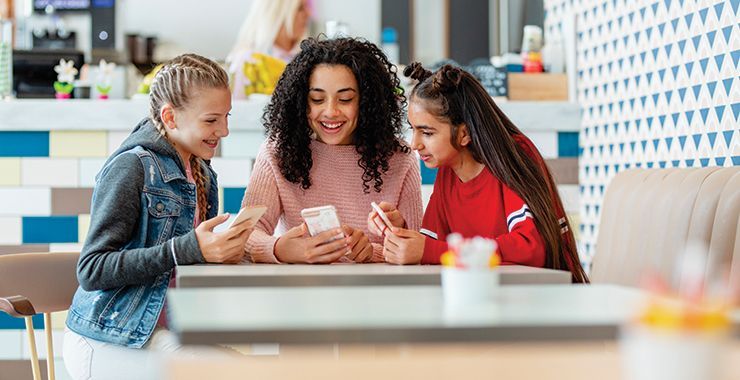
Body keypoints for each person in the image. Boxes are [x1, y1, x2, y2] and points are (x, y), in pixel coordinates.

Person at [63, 54, 252, 380]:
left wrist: (234, 252)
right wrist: (189, 249)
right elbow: (92, 269)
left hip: (160, 334)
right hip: (108, 339)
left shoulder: (202, 173)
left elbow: (187, 264)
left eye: (226, 117)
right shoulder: (132, 168)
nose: (224, 130)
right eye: (211, 120)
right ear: (170, 117)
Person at [369, 62, 589, 283]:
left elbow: (531, 248)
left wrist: (429, 251)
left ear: (464, 133)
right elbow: (433, 244)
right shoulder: (448, 168)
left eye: (426, 132)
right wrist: (400, 235)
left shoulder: (513, 154)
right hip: (487, 298)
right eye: (413, 130)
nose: (414, 144)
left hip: (543, 301)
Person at [242, 37, 423, 264]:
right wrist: (280, 248)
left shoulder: (400, 158)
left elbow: (417, 248)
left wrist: (372, 252)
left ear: (366, 101)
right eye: (317, 99)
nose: (330, 111)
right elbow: (245, 235)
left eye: (345, 99)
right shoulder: (277, 152)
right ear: (301, 101)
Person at [226, 0, 310, 98]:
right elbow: (238, 109)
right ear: (278, 12)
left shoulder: (309, 57)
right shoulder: (248, 61)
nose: (308, 14)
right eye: (300, 8)